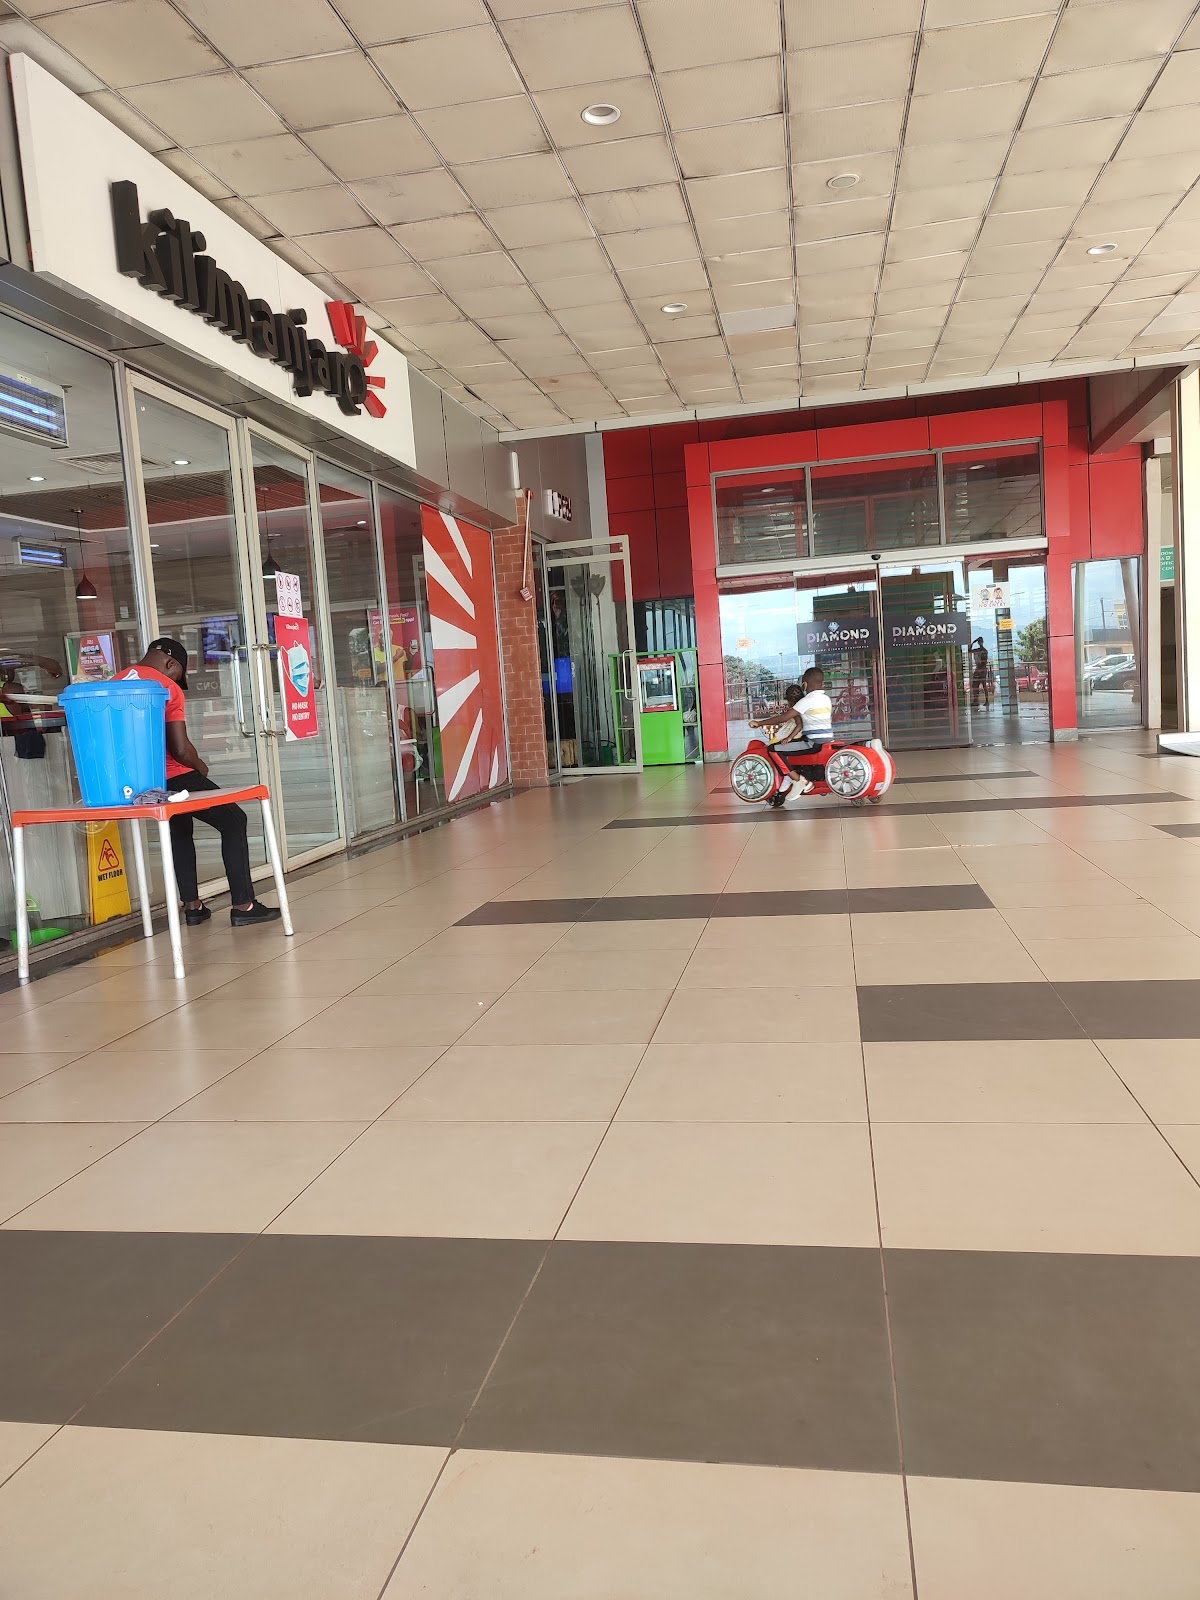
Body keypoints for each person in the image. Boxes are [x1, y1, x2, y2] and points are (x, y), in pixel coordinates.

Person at [119, 638, 280, 927]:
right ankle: (244, 905)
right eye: (178, 675)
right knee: (234, 820)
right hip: (176, 775)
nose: (176, 682)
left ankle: (193, 906)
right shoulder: (165, 687)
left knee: (179, 829)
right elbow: (180, 749)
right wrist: (200, 766)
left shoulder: (115, 682)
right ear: (170, 663)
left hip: (142, 782)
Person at [752, 666, 834, 803]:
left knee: (773, 749)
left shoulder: (807, 700)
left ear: (804, 684)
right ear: (822, 683)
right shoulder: (826, 699)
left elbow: (784, 717)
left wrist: (760, 723)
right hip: (826, 739)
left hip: (812, 742)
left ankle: (799, 781)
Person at [971, 636, 990, 709]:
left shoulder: (984, 651)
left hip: (982, 670)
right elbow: (969, 651)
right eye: (979, 642)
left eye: (980, 642)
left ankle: (986, 700)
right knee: (975, 685)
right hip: (978, 669)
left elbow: (984, 662)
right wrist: (973, 643)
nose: (980, 643)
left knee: (984, 685)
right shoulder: (978, 650)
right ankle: (976, 700)